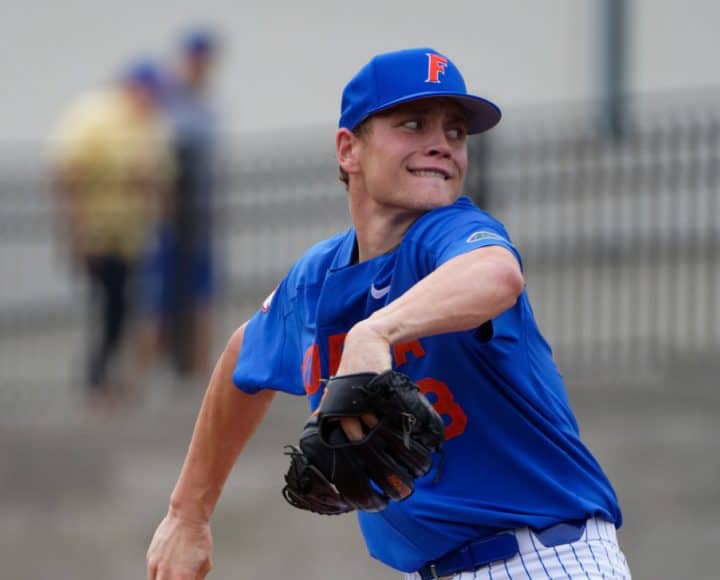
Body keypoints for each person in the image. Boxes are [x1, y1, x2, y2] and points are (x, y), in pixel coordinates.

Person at [146, 47, 631, 579]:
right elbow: (242, 359)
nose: (441, 144)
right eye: (414, 123)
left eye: (455, 131)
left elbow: (497, 274)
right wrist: (187, 513)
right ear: (348, 149)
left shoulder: (446, 237)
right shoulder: (317, 278)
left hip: (544, 559)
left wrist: (374, 333)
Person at [51, 59, 174, 413]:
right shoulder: (96, 115)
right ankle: (97, 382)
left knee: (122, 307)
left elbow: (160, 174)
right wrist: (76, 231)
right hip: (99, 233)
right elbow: (68, 173)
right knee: (109, 308)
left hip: (130, 235)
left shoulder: (149, 123)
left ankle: (112, 381)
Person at [138, 28, 220, 384]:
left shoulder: (203, 102)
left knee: (200, 293)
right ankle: (142, 375)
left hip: (197, 213)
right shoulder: (168, 102)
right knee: (160, 296)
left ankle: (201, 374)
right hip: (171, 218)